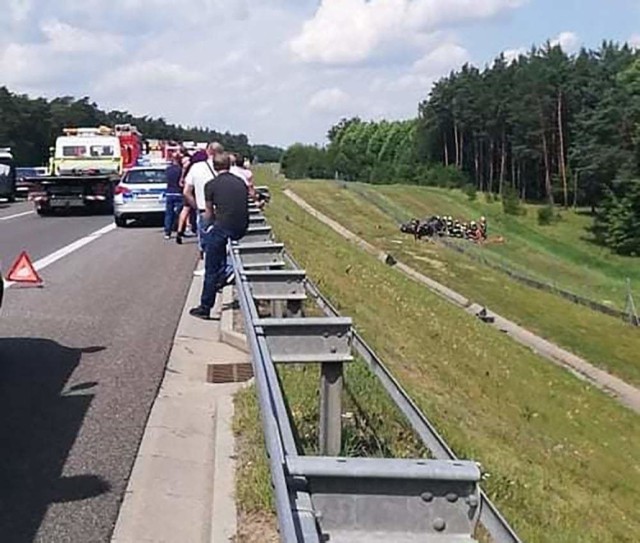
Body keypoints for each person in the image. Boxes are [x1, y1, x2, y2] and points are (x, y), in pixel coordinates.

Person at [190, 152, 249, 320]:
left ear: (215, 167)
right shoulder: (240, 182)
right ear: (229, 166)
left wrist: (205, 227)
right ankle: (222, 278)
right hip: (242, 227)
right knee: (219, 245)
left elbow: (208, 214)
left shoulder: (211, 185)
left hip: (223, 227)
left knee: (211, 266)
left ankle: (205, 306)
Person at [179, 142, 223, 253]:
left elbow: (186, 192)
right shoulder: (226, 167)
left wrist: (196, 206)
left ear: (207, 151)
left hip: (204, 210)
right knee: (222, 244)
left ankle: (206, 263)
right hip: (223, 210)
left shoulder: (196, 167)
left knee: (205, 243)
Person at [163, 153, 184, 240]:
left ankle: (167, 232)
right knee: (180, 213)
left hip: (169, 193)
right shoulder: (181, 170)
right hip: (178, 193)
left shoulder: (168, 170)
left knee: (169, 213)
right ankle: (180, 230)